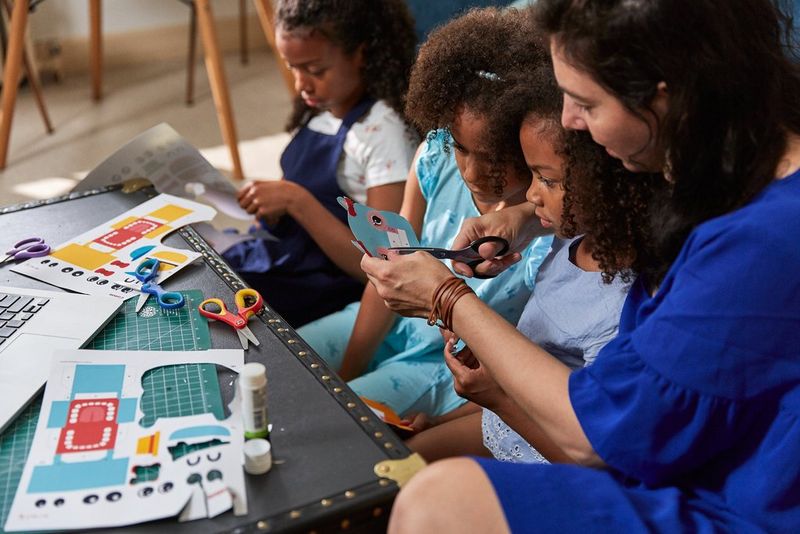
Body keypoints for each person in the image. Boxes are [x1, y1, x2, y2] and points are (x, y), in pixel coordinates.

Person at [361, 1, 800, 532]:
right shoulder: (735, 151)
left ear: (664, 95)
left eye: (585, 103)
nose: (571, 119)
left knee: (440, 502)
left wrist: (447, 300)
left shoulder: (759, 244)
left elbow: (595, 438)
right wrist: (529, 215)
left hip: (738, 504)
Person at [298, 8, 554, 417]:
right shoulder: (433, 158)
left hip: (444, 367)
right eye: (461, 146)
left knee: (331, 418)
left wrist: (440, 425)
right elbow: (387, 273)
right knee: (289, 363)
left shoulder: (549, 230)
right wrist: (348, 372)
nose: (471, 172)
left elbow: (526, 371)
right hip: (389, 320)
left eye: (494, 158)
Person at [407, 120, 663, 464]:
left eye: (547, 179)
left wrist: (495, 395)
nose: (530, 195)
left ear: (610, 182)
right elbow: (527, 376)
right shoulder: (571, 240)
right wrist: (439, 423)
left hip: (548, 459)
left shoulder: (622, 308)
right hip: (502, 424)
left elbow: (592, 455)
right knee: (401, 460)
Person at [223, 0, 418, 327]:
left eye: (315, 70)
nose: (301, 85)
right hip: (284, 254)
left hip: (323, 283)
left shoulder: (383, 132)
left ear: (361, 53)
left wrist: (297, 201)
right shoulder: (323, 106)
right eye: (291, 68)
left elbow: (389, 266)